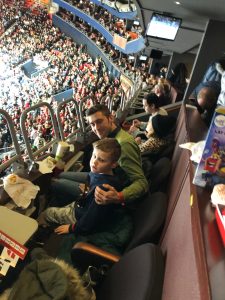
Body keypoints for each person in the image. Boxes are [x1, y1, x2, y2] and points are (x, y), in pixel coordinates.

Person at [51, 104, 148, 208]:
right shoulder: (110, 137)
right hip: (96, 177)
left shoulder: (123, 144)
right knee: (59, 176)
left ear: (110, 118)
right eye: (92, 124)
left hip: (104, 185)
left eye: (99, 121)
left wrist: (118, 196)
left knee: (54, 183)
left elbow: (142, 183)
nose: (96, 128)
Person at [41, 138, 131, 237]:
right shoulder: (99, 172)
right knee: (61, 178)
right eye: (94, 156)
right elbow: (90, 177)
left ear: (113, 164)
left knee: (46, 213)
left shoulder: (102, 190)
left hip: (79, 216)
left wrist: (72, 228)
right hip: (80, 204)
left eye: (101, 160)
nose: (94, 162)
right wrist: (88, 187)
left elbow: (91, 218)